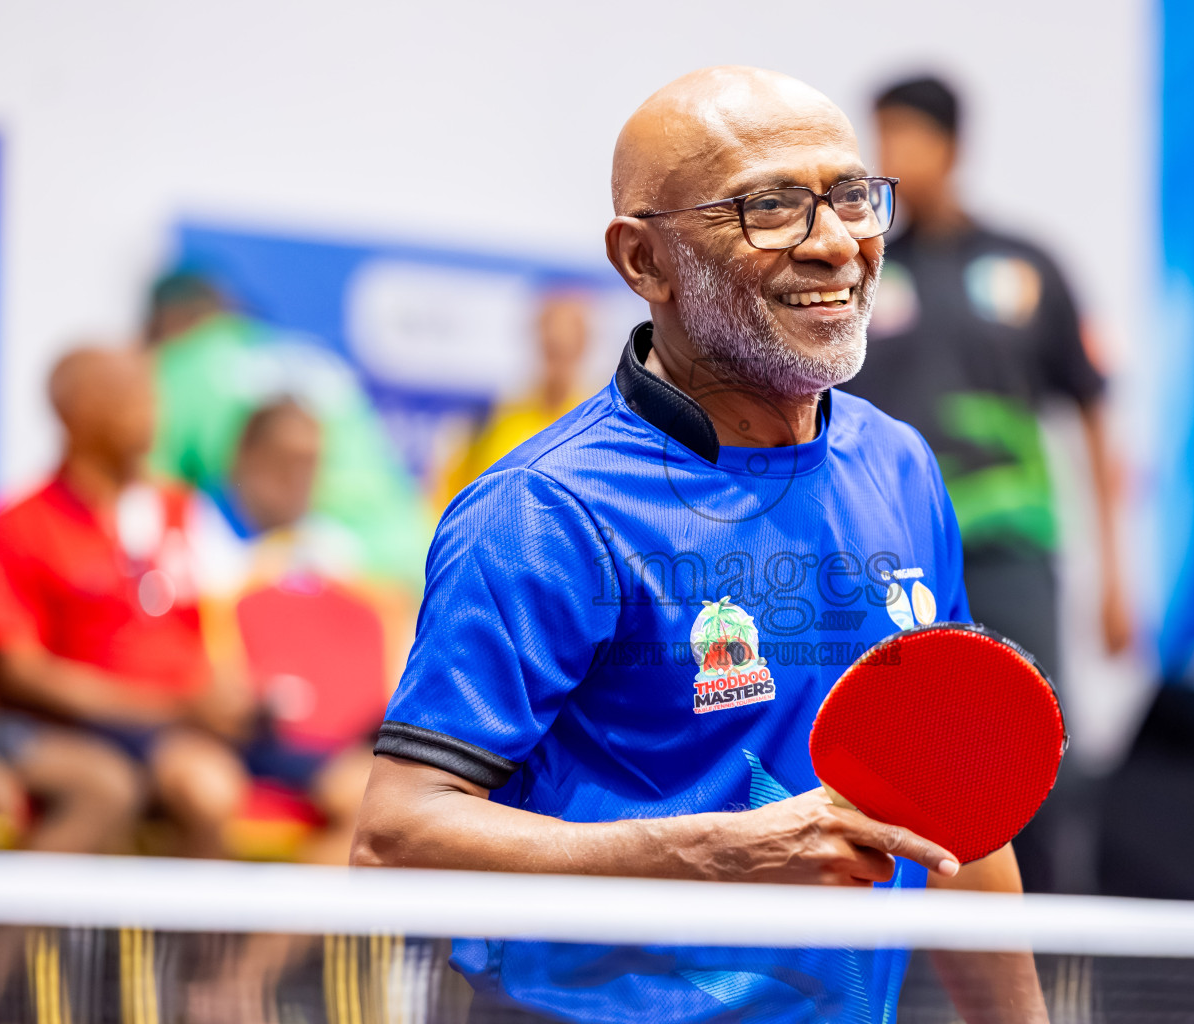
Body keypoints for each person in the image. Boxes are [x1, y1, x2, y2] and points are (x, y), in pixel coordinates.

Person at [352, 67, 1048, 1024]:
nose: (838, 242)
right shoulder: (541, 511)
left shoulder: (900, 465)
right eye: (770, 207)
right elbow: (395, 841)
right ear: (645, 262)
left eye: (851, 195)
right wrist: (709, 855)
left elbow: (952, 808)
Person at [843, 75, 1131, 894]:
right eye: (882, 137)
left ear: (954, 148)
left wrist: (1117, 578)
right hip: (887, 550)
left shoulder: (1028, 266)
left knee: (1040, 752)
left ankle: (1057, 960)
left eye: (909, 139)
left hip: (1009, 548)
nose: (891, 157)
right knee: (889, 754)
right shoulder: (858, 267)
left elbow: (1095, 414)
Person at [0, 347, 250, 858]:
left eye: (150, 393)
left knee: (222, 788)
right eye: (129, 394)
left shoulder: (179, 509)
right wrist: (167, 708)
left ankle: (203, 940)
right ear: (75, 411)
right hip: (70, 728)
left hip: (186, 725)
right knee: (144, 786)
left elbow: (217, 625)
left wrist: (230, 693)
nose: (150, 410)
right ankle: (8, 937)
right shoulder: (19, 526)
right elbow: (22, 673)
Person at [192, 398, 385, 866]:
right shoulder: (195, 532)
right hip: (233, 734)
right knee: (374, 802)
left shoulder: (332, 548)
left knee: (390, 800)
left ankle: (265, 940)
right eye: (287, 460)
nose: (299, 477)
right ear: (246, 458)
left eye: (311, 463)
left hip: (326, 740)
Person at [144, 272, 432, 585]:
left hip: (308, 564)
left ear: (168, 322)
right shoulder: (315, 359)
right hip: (408, 562)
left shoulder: (183, 364)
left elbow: (143, 497)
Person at [433, 292, 594, 509]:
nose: (557, 362)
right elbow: (448, 496)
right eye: (551, 347)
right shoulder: (492, 419)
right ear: (537, 342)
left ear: (583, 346)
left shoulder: (596, 423)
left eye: (565, 348)